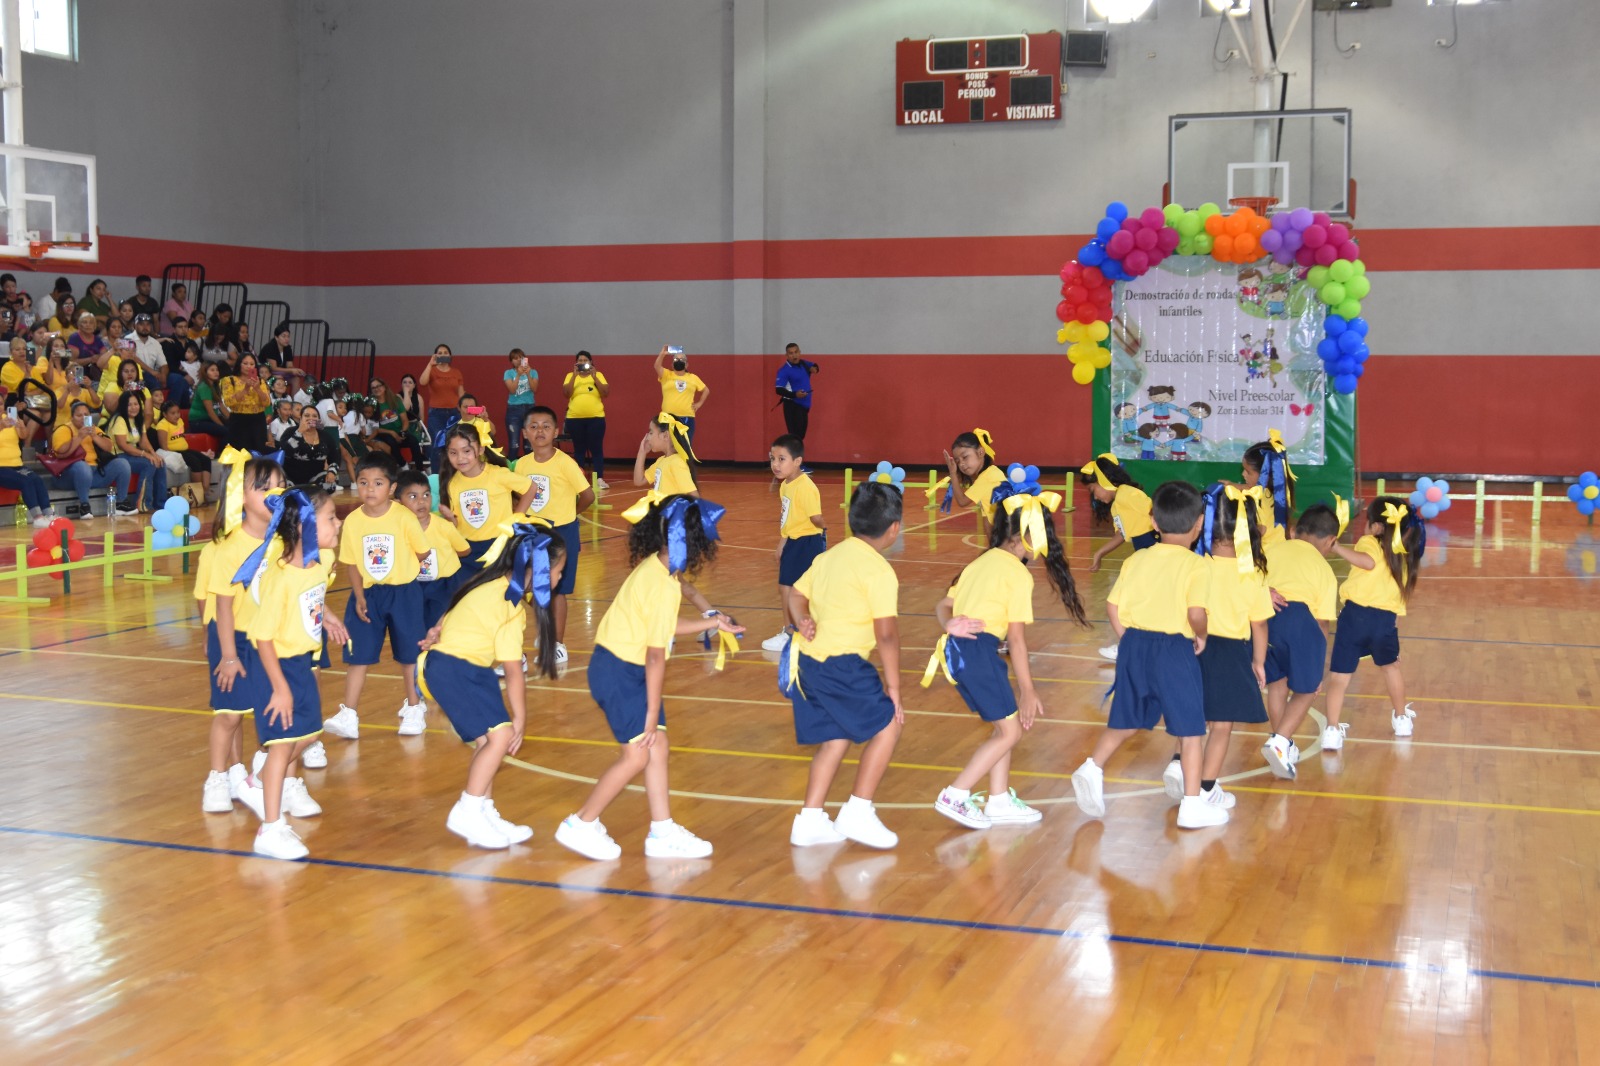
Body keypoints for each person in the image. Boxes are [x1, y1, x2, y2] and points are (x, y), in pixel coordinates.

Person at [554, 493, 742, 861]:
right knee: (639, 754)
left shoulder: (660, 572)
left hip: (622, 669)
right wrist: (653, 712)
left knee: (657, 748)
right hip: (621, 672)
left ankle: (662, 831)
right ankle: (581, 823)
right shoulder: (660, 582)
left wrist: (712, 622)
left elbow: (663, 625)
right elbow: (657, 654)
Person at [926, 466, 1087, 828]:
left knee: (1005, 727)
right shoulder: (1016, 573)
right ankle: (956, 794)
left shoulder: (981, 561)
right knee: (1011, 731)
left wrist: (947, 624)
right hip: (977, 652)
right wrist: (1028, 689)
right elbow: (1015, 639)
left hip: (959, 650)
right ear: (1028, 535)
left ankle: (998, 801)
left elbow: (944, 606)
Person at [1070, 481, 1226, 830]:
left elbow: (1112, 606)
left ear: (1153, 522)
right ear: (1200, 523)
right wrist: (1200, 635)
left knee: (1125, 718)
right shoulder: (1197, 566)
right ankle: (1192, 804)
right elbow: (1196, 613)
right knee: (1190, 730)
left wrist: (1128, 639)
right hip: (1173, 650)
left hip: (1135, 646)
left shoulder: (1137, 559)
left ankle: (1092, 767)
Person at [418, 523, 566, 849]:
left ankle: (482, 812)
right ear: (538, 568)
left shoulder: (490, 585)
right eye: (557, 570)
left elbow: (452, 613)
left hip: (463, 669)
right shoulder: (509, 604)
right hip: (455, 669)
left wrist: (437, 629)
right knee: (499, 736)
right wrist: (521, 721)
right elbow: (514, 672)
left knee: (489, 741)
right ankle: (468, 810)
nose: (558, 579)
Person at [781, 480, 905, 849]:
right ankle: (858, 811)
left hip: (808, 662)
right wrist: (894, 689)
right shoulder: (879, 571)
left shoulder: (828, 556)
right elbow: (886, 636)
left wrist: (802, 617)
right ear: (894, 528)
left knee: (834, 739)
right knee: (888, 727)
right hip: (841, 664)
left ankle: (810, 821)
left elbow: (796, 595)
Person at [235, 488, 349, 860]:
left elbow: (313, 595)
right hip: (273, 665)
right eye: (331, 517)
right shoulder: (279, 579)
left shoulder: (323, 560)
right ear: (304, 527)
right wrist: (280, 688)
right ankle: (270, 829)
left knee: (311, 731)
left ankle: (257, 778)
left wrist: (329, 617)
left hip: (301, 660)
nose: (339, 522)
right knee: (284, 746)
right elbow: (262, 637)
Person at [1158, 484, 1273, 811]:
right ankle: (1207, 787)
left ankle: (1181, 764)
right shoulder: (1252, 574)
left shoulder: (1194, 565)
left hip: (1190, 646)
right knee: (1222, 725)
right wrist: (1259, 661)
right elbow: (1259, 624)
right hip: (1231, 653)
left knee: (1192, 717)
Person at [195, 457, 290, 815]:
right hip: (231, 637)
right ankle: (217, 778)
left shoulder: (283, 541)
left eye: (278, 486)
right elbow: (221, 606)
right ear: (240, 495)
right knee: (230, 714)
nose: (272, 494)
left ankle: (249, 776)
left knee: (263, 711)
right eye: (263, 486)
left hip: (266, 638)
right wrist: (228, 655)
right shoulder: (227, 547)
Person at [323, 453, 432, 743]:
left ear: (392, 488)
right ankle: (349, 713)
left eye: (378, 482)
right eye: (363, 482)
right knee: (358, 655)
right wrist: (359, 596)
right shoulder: (354, 522)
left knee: (409, 654)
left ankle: (413, 707)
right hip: (368, 595)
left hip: (403, 594)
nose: (370, 489)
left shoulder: (404, 518)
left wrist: (402, 573)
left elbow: (423, 553)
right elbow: (353, 564)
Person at [1321, 497, 1425, 746]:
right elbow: (1396, 600)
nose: (1364, 527)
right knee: (1391, 669)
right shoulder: (1402, 554)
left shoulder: (1369, 543)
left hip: (1355, 618)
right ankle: (1401, 719)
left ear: (1377, 527)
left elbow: (1366, 562)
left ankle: (1332, 731)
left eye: (1367, 521)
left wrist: (1335, 547)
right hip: (1385, 622)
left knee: (1339, 677)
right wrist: (1393, 632)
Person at [1257, 503, 1341, 779]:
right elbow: (1322, 622)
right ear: (1330, 541)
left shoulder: (1272, 549)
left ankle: (1283, 742)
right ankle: (1280, 741)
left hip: (1260, 619)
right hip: (1297, 618)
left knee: (1277, 684)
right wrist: (1318, 662)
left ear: (1294, 531)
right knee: (1308, 689)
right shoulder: (1324, 570)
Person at [513, 406, 594, 665]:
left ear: (556, 432)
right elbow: (518, 495)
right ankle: (546, 632)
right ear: (525, 432)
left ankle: (557, 644)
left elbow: (588, 496)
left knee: (558, 590)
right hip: (533, 533)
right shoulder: (521, 465)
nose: (540, 431)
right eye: (534, 426)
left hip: (562, 533)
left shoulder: (566, 463)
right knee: (529, 587)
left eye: (546, 426)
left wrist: (569, 515)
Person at [1080, 452, 1156, 662]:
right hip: (1144, 555)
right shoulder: (1118, 502)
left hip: (1152, 554)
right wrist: (1099, 553)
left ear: (1103, 481)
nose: (1094, 496)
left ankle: (1130, 647)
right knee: (1133, 603)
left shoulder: (1127, 494)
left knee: (1127, 603)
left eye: (1093, 490)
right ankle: (1133, 645)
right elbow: (1122, 534)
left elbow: (1156, 515)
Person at [437, 422, 534, 574]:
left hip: (499, 546)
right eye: (453, 453)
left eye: (467, 451)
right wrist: (450, 519)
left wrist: (516, 519)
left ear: (481, 449)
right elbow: (457, 523)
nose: (460, 458)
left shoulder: (497, 474)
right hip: (469, 550)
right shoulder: (452, 483)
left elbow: (531, 487)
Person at [762, 434, 826, 652]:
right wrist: (783, 542)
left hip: (807, 543)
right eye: (772, 459)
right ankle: (796, 632)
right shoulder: (785, 486)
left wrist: (824, 528)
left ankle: (792, 634)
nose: (775, 465)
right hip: (794, 541)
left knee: (790, 588)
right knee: (787, 588)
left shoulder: (805, 487)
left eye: (782, 459)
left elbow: (815, 518)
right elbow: (788, 519)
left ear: (797, 461)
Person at [397, 469, 470, 633]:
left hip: (444, 585)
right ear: (399, 502)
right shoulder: (397, 530)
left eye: (426, 495)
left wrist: (446, 554)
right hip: (414, 586)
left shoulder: (443, 526)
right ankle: (421, 656)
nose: (421, 501)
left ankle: (440, 655)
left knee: (440, 628)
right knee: (417, 628)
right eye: (413, 496)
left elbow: (465, 550)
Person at [49, 401, 134, 517]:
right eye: (79, 415)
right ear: (72, 417)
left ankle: (121, 503)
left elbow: (109, 447)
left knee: (122, 463)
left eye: (86, 415)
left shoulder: (95, 429)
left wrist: (94, 436)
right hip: (68, 475)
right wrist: (79, 437)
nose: (83, 418)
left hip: (94, 473)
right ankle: (84, 505)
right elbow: (60, 452)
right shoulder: (63, 429)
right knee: (82, 466)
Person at [106, 391, 169, 511]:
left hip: (131, 454)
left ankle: (161, 503)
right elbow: (123, 445)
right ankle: (143, 504)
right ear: (123, 406)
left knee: (160, 462)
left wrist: (154, 454)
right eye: (129, 405)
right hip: (117, 457)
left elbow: (143, 441)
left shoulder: (138, 420)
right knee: (148, 464)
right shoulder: (120, 419)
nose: (134, 407)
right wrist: (145, 455)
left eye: (136, 404)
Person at [0, 407, 57, 527]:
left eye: (0, 403)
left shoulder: (9, 418)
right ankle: (37, 517)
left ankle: (49, 514)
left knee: (37, 479)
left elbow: (24, 436)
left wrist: (20, 425)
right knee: (25, 481)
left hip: (16, 464)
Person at [942, 429, 1004, 533]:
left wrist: (953, 472)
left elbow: (962, 501)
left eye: (965, 457)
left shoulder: (987, 478)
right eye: (957, 461)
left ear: (980, 452)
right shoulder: (992, 472)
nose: (961, 464)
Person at [562, 350, 609, 490]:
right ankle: (579, 480)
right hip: (575, 419)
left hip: (596, 418)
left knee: (596, 449)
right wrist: (574, 377)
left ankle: (599, 478)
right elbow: (566, 393)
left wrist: (595, 377)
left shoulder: (598, 375)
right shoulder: (570, 376)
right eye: (580, 361)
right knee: (579, 449)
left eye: (585, 360)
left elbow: (605, 393)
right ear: (576, 363)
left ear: (591, 363)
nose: (583, 363)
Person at [154, 399, 213, 500]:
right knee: (195, 462)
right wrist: (175, 456)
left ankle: (205, 489)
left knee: (206, 459)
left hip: (185, 450)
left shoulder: (180, 421)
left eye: (178, 412)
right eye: (172, 413)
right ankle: (196, 493)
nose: (176, 415)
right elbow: (164, 446)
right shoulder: (162, 425)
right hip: (174, 453)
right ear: (164, 414)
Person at [419, 344, 463, 470]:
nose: (443, 354)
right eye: (440, 352)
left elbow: (461, 394)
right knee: (438, 445)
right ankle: (436, 476)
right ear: (435, 355)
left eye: (445, 352)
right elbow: (422, 382)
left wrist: (466, 407)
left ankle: (453, 473)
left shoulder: (456, 372)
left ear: (450, 355)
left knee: (454, 443)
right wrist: (430, 364)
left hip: (454, 413)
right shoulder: (432, 370)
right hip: (436, 414)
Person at [633, 413, 698, 497]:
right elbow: (638, 481)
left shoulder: (676, 462)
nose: (648, 437)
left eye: (651, 432)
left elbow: (694, 496)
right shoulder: (661, 461)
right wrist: (642, 452)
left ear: (665, 436)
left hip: (670, 510)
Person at [652, 344, 707, 440]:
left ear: (686, 364)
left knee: (685, 446)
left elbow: (706, 390)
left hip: (687, 417)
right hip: (668, 417)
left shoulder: (693, 378)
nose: (679, 361)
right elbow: (657, 366)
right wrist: (662, 354)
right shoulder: (666, 375)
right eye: (676, 359)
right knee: (668, 445)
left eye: (682, 359)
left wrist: (699, 404)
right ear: (672, 364)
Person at [277, 405, 339, 491]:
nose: (311, 418)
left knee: (329, 484)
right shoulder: (290, 431)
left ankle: (317, 502)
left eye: (314, 416)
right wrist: (299, 432)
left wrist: (332, 472)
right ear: (300, 418)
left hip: (314, 479)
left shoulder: (326, 436)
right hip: (290, 478)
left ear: (318, 419)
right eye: (307, 415)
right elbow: (285, 452)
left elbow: (335, 457)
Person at [220, 354, 271, 451]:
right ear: (239, 364)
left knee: (258, 450)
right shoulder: (229, 380)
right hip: (239, 420)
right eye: (245, 363)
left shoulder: (260, 381)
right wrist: (245, 389)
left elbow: (267, 403)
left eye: (252, 364)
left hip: (258, 420)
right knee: (239, 451)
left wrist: (257, 389)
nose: (249, 366)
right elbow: (228, 402)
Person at [774, 342, 819, 442]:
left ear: (800, 352)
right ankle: (794, 456)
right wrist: (795, 394)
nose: (794, 355)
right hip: (792, 405)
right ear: (787, 355)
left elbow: (815, 365)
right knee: (795, 436)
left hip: (805, 405)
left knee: (801, 435)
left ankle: (796, 456)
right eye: (791, 353)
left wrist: (815, 368)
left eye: (796, 352)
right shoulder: (784, 370)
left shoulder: (803, 364)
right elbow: (779, 389)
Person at [502, 348, 538, 460]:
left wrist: (527, 375)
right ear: (511, 361)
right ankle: (511, 471)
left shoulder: (533, 372)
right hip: (514, 410)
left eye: (520, 358)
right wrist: (518, 375)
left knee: (529, 445)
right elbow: (512, 390)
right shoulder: (508, 373)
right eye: (515, 358)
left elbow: (534, 388)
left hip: (530, 409)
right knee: (514, 444)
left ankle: (529, 470)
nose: (518, 360)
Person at [188, 361, 229, 439]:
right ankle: (221, 451)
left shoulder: (215, 386)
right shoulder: (204, 387)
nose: (216, 372)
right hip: (198, 422)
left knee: (235, 428)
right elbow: (210, 412)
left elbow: (221, 406)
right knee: (226, 431)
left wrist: (232, 420)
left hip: (208, 419)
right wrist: (222, 426)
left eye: (217, 370)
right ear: (205, 372)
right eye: (212, 370)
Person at [128, 314, 166, 387]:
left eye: (148, 324)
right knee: (152, 381)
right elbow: (132, 357)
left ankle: (171, 399)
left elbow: (163, 364)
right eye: (141, 324)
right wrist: (152, 372)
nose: (145, 327)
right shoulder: (128, 339)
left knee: (178, 380)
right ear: (134, 326)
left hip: (152, 374)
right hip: (135, 376)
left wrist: (163, 375)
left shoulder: (155, 343)